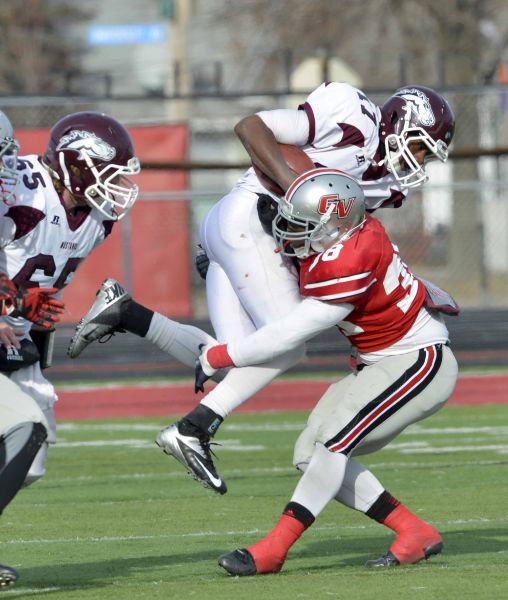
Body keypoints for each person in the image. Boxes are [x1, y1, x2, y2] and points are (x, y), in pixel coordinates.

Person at [68, 84, 456, 499]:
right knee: (285, 345)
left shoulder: (390, 186)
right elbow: (250, 127)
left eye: (428, 155)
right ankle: (193, 428)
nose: (419, 161)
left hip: (261, 237)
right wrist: (298, 188)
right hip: (250, 219)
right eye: (419, 147)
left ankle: (127, 314)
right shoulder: (352, 114)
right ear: (399, 122)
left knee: (234, 361)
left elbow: (332, 234)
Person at [185, 168, 458, 574]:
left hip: (418, 361)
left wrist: (219, 356)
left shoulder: (349, 258)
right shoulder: (343, 237)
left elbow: (286, 334)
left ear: (335, 227)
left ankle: (274, 549)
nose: (290, 232)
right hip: (381, 361)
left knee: (332, 444)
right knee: (309, 453)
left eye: (302, 224)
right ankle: (413, 531)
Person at [0, 109, 141, 486]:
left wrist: (29, 317)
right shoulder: (24, 191)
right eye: (107, 174)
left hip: (16, 337)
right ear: (76, 166)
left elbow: (43, 292)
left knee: (30, 463)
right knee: (20, 435)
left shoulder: (98, 219)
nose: (116, 186)